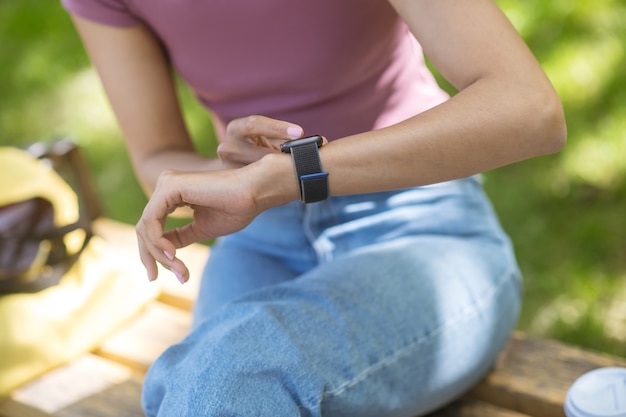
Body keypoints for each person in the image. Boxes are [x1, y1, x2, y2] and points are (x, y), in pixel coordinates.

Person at [61, 0, 566, 415]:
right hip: (259, 237)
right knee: (205, 387)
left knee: (229, 374)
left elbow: (529, 109)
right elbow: (156, 155)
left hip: (418, 220)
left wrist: (293, 174)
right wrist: (242, 180)